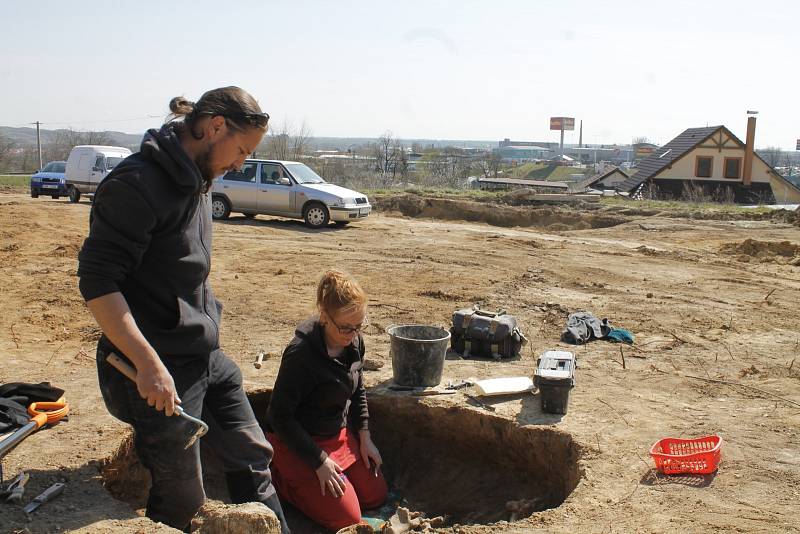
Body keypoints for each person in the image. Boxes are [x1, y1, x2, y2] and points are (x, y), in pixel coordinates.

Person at [77, 87, 290, 533]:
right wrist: (148, 364)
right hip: (152, 370)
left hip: (203, 357)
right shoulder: (136, 186)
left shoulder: (197, 177)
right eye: (241, 151)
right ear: (214, 127)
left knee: (253, 457)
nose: (239, 165)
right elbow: (99, 284)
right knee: (183, 498)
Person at [266, 270, 388, 531]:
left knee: (376, 496)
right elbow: (279, 416)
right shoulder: (301, 356)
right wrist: (318, 461)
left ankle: (328, 484)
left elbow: (358, 389)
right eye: (346, 328)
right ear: (324, 317)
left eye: (359, 326)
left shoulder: (354, 343)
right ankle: (280, 476)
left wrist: (365, 437)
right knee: (348, 519)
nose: (353, 334)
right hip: (303, 443)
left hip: (338, 436)